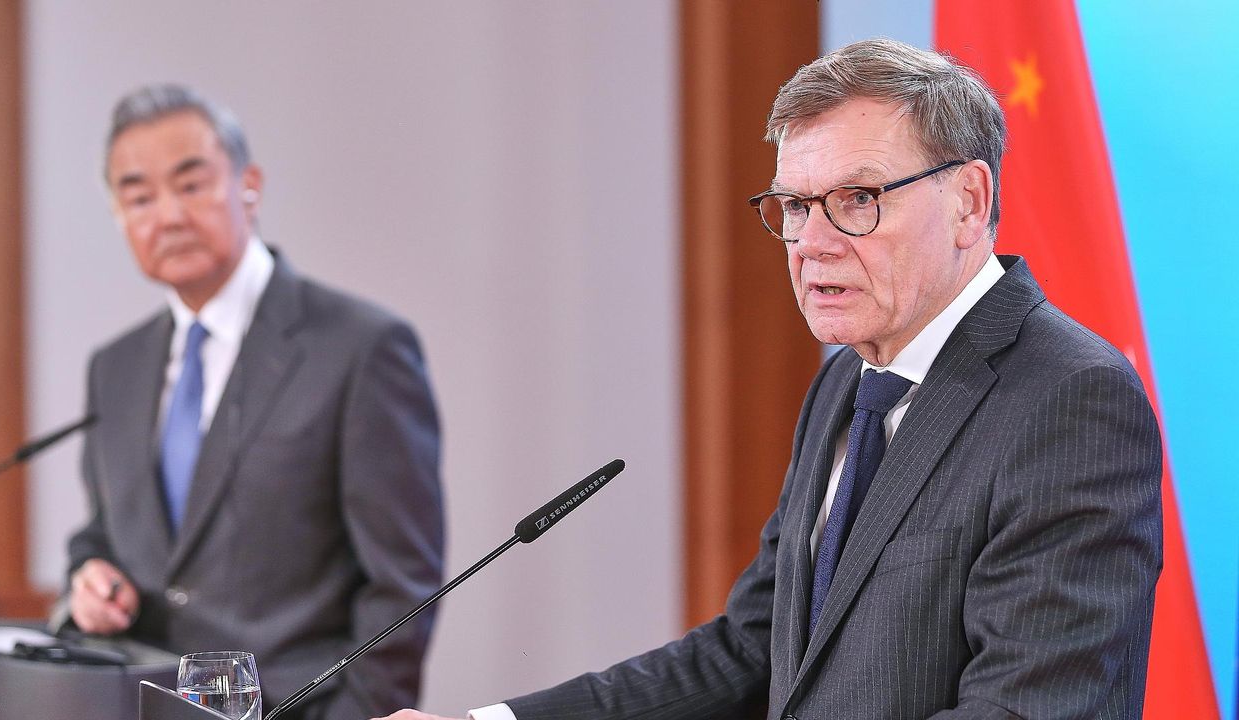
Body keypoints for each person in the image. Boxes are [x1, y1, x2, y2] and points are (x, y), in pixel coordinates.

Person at [378, 38, 1162, 720]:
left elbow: (1025, 707)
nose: (811, 242)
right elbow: (751, 651)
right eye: (794, 205)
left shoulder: (1069, 399)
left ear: (968, 200)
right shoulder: (847, 385)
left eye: (856, 200)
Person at [61, 84, 445, 720]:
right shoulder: (115, 367)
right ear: (119, 216)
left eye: (191, 184)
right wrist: (91, 579)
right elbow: (105, 530)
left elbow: (403, 586)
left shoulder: (360, 348)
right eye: (140, 197)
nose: (169, 215)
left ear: (250, 186)